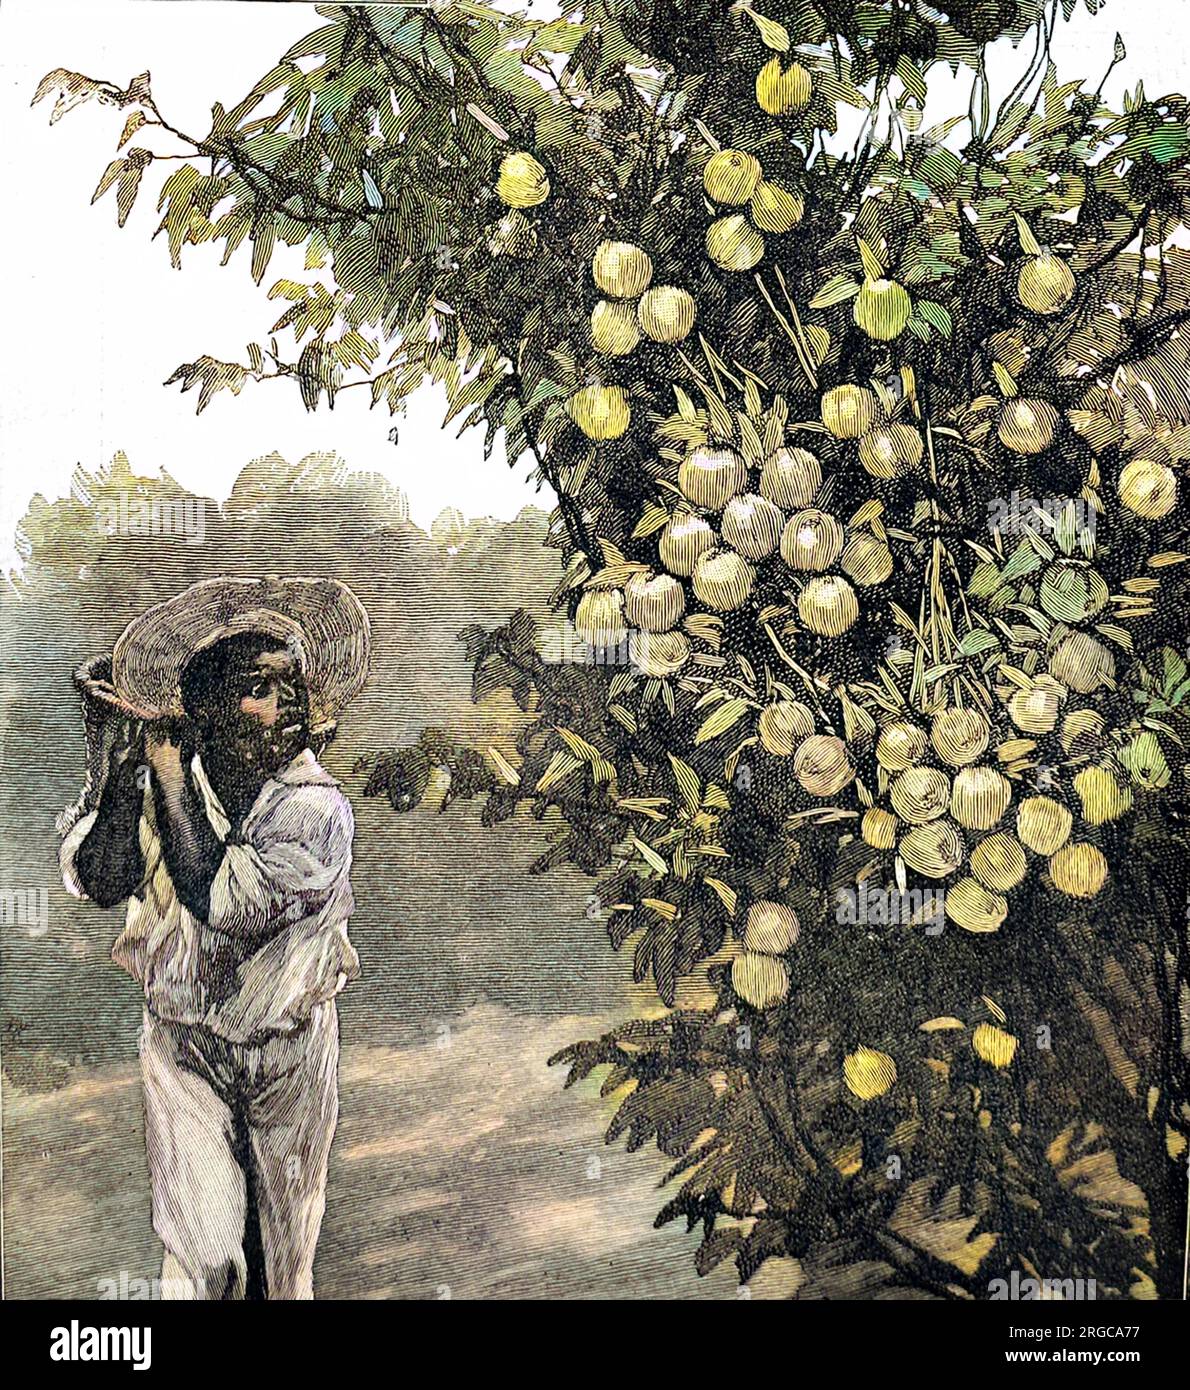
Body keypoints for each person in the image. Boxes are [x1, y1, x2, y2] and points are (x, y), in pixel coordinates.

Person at [60, 576, 370, 1300]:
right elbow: (102, 879)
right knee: (206, 1262)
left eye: (293, 686)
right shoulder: (172, 782)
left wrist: (162, 766)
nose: (289, 704)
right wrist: (117, 766)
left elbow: (220, 898)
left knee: (284, 1268)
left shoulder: (315, 807)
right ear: (205, 708)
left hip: (289, 1045)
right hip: (185, 1044)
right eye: (262, 688)